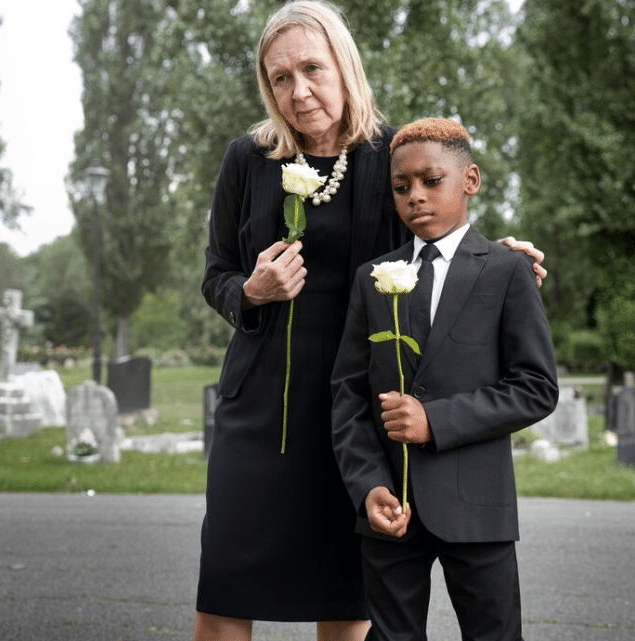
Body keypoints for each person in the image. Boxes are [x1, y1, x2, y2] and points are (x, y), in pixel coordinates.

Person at [195, 3, 546, 640]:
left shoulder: (387, 156)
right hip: (260, 409)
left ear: (344, 66)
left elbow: (436, 225)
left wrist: (499, 261)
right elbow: (215, 273)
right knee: (224, 590)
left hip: (359, 407)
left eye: (312, 69)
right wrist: (249, 292)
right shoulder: (248, 159)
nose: (298, 91)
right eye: (280, 78)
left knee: (349, 597)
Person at [331, 117, 559, 641]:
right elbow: (348, 396)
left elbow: (536, 386)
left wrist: (433, 420)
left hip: (478, 507)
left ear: (470, 180)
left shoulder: (507, 270)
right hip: (391, 508)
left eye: (431, 181)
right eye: (401, 186)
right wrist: (368, 487)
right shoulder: (373, 280)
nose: (416, 196)